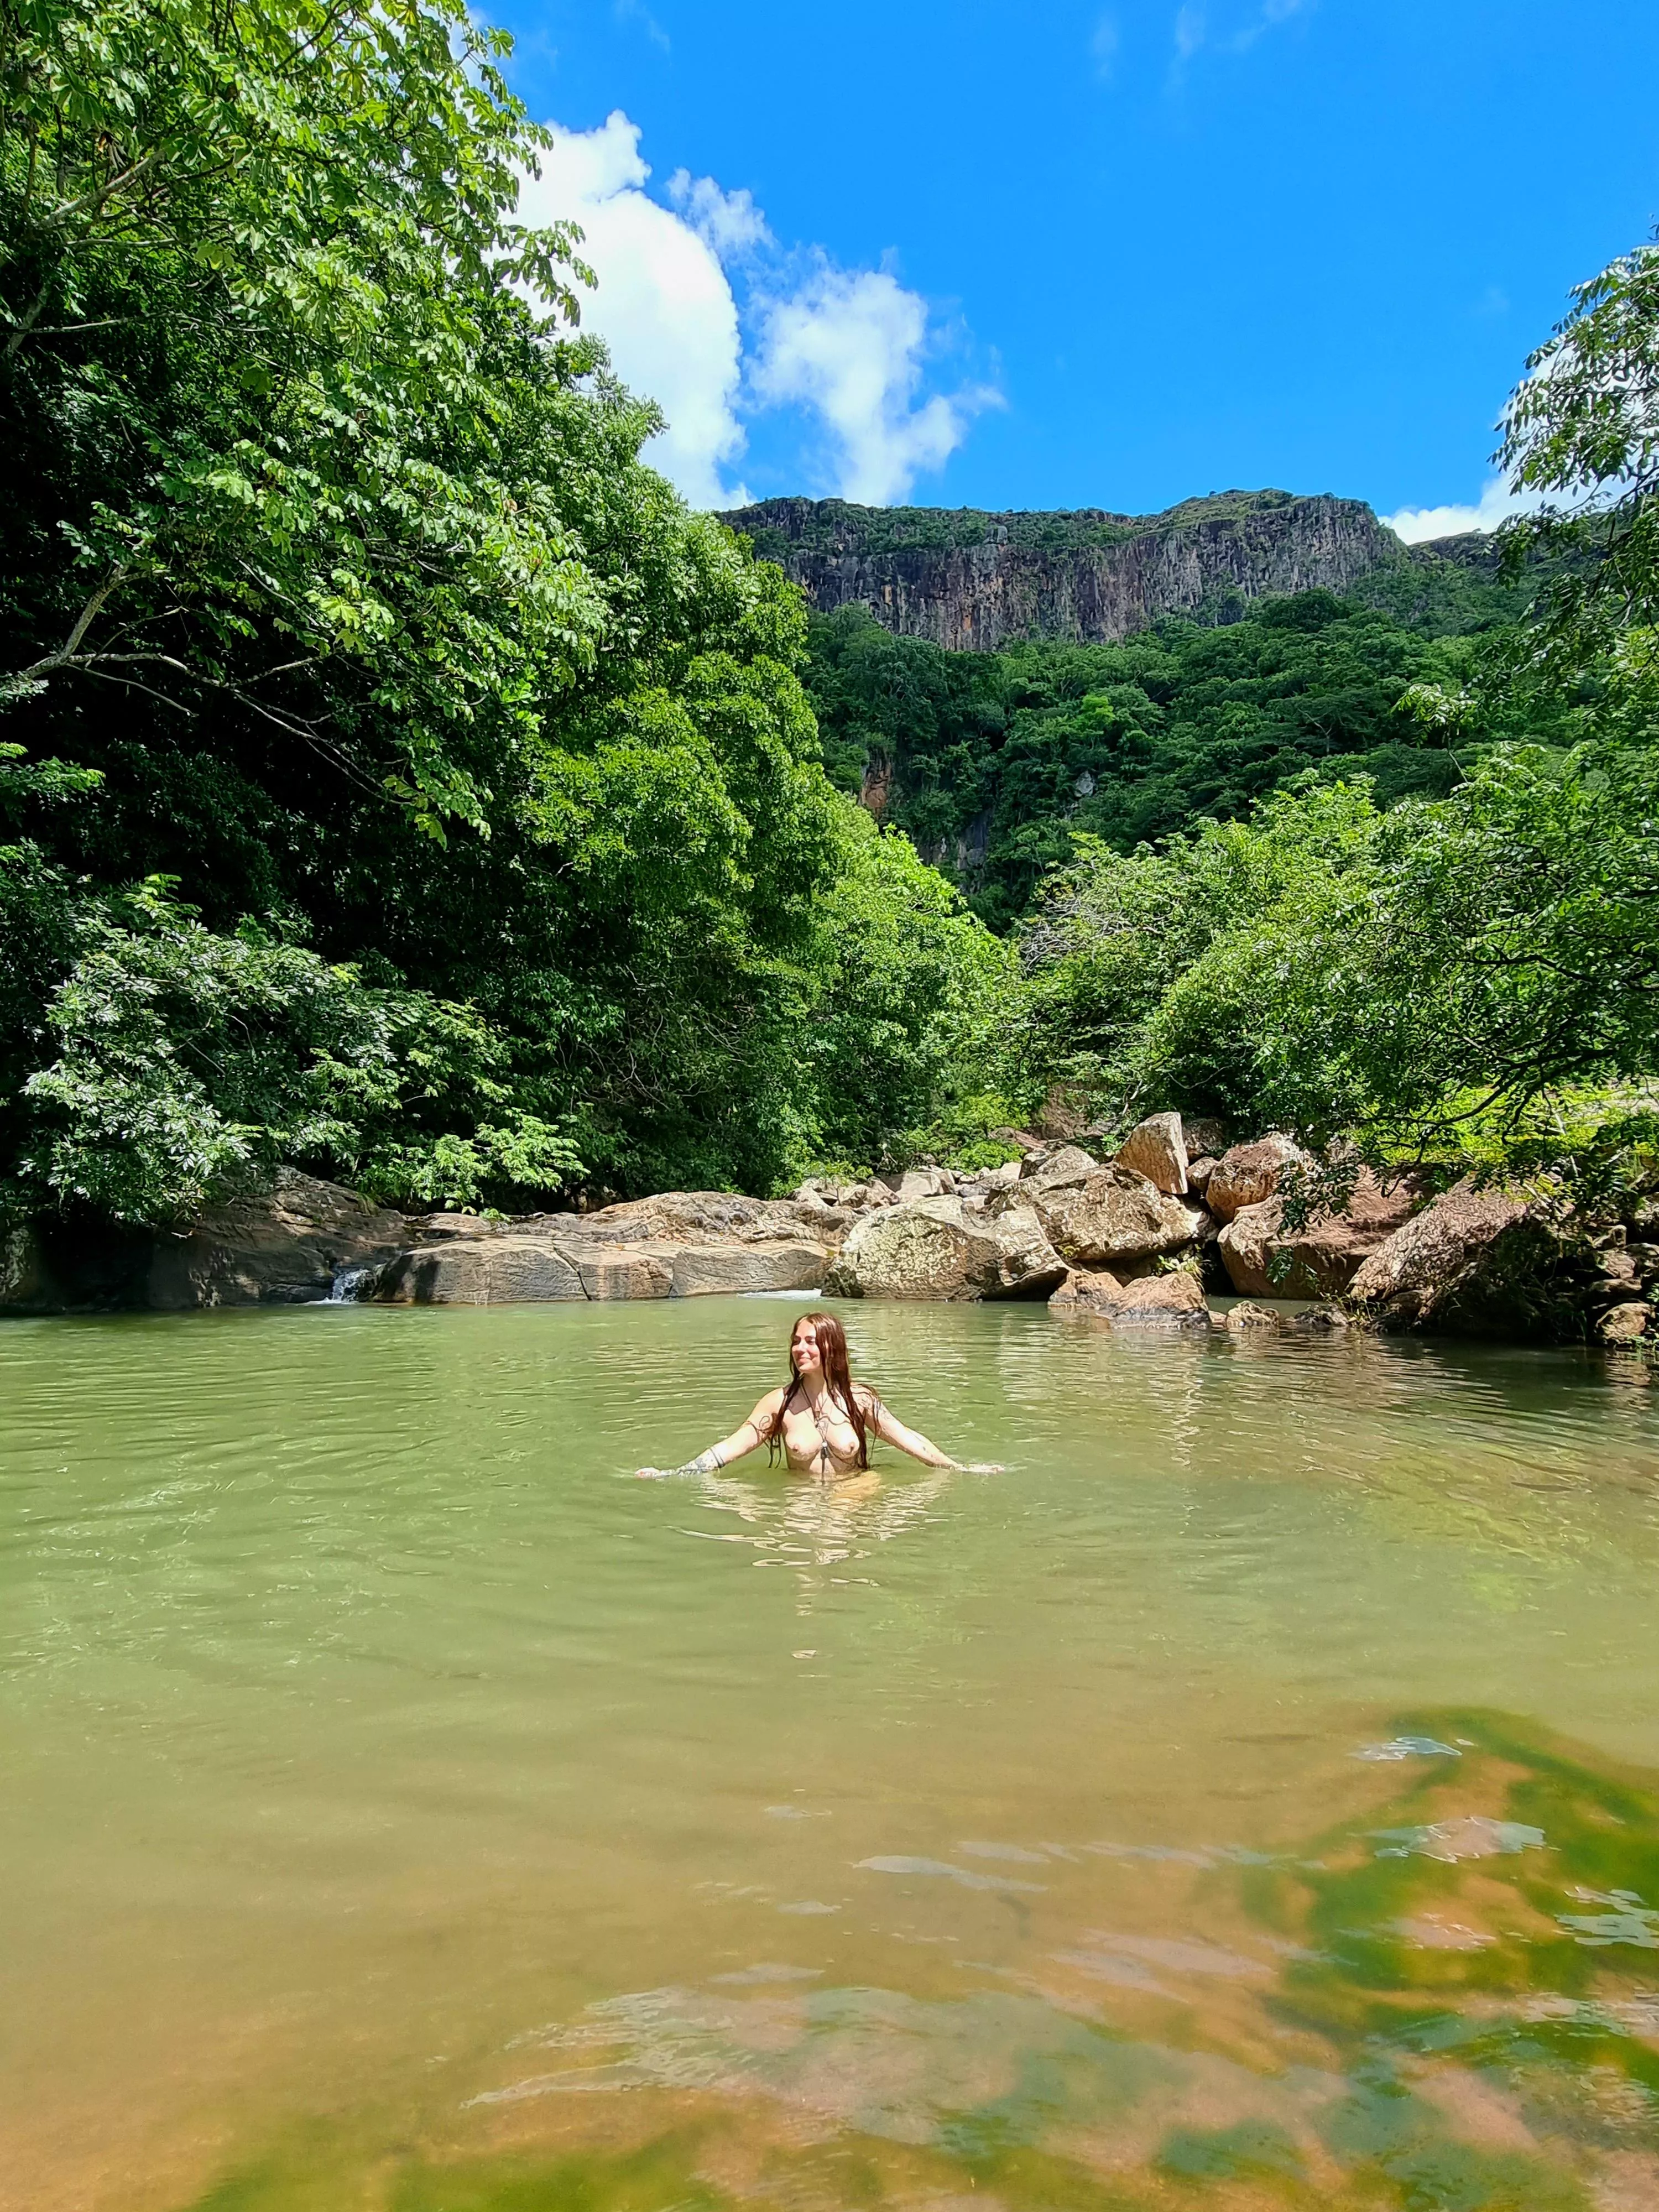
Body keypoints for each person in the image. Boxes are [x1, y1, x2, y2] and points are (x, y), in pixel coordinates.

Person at [634, 1310, 984, 1480]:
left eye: (811, 1342)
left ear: (832, 1347)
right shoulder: (779, 1403)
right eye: (796, 1341)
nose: (800, 1348)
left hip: (855, 1497)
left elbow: (910, 1441)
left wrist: (961, 1469)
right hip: (800, 1501)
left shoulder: (860, 1400)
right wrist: (674, 1473)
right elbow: (730, 1448)